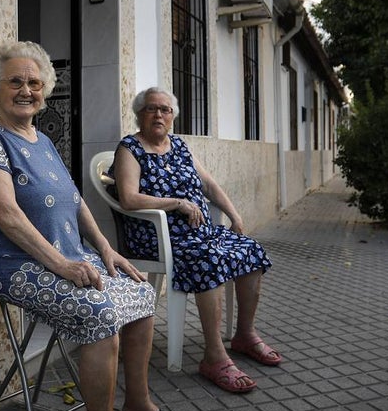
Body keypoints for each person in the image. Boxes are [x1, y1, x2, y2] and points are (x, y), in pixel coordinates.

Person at [0, 42, 188, 411]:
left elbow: (77, 201)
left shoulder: (42, 141)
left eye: (35, 83)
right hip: (10, 263)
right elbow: (3, 212)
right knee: (100, 313)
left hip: (67, 255)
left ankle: (137, 406)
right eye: (15, 81)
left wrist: (106, 249)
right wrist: (63, 265)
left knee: (140, 293)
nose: (26, 90)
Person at [111, 86, 281, 394]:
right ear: (139, 114)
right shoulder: (130, 149)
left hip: (199, 233)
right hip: (157, 236)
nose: (158, 114)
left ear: (173, 116)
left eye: (165, 109)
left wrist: (234, 215)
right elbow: (129, 198)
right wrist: (176, 203)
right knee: (209, 258)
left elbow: (209, 185)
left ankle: (244, 334)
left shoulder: (179, 145)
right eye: (151, 108)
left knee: (250, 250)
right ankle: (214, 356)